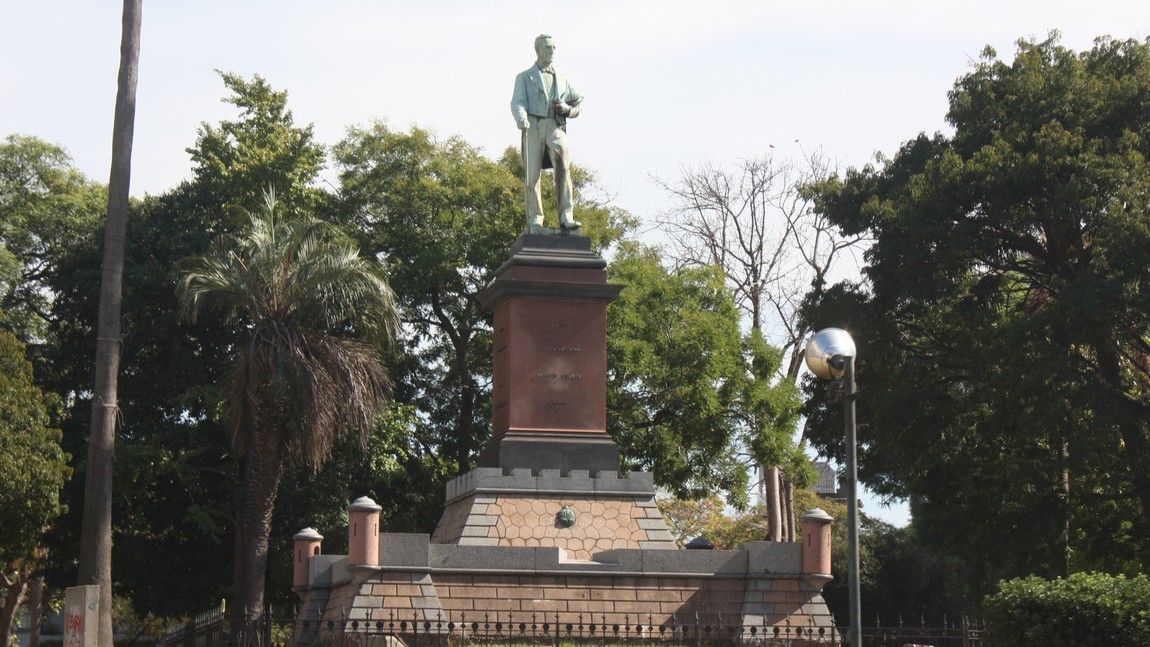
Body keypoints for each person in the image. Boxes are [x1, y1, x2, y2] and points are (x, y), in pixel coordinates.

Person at [511, 34, 583, 232]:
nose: (552, 51)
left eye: (554, 47)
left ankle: (566, 216)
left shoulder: (562, 79)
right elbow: (517, 102)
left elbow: (579, 102)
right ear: (538, 50)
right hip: (533, 125)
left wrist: (567, 110)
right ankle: (535, 218)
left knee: (564, 167)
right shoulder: (525, 77)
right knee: (532, 175)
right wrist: (521, 118)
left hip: (555, 126)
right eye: (548, 47)